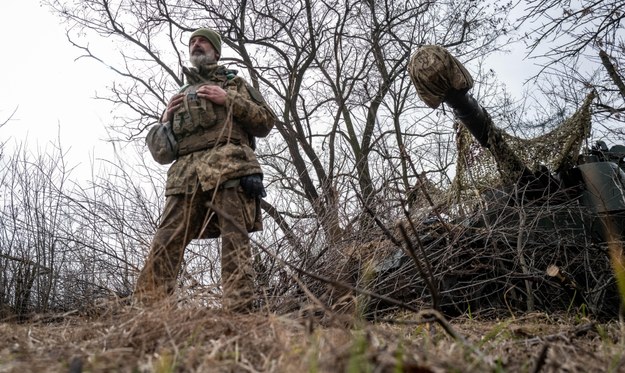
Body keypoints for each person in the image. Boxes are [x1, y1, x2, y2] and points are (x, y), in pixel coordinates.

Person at [135, 27, 276, 312]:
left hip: (230, 169)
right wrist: (164, 119)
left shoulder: (235, 84)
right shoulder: (179, 96)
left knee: (235, 241)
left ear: (216, 51)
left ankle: (240, 312)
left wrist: (228, 99)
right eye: (192, 42)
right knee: (166, 241)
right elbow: (161, 154)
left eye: (203, 41)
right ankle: (148, 313)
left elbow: (264, 122)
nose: (196, 45)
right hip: (185, 178)